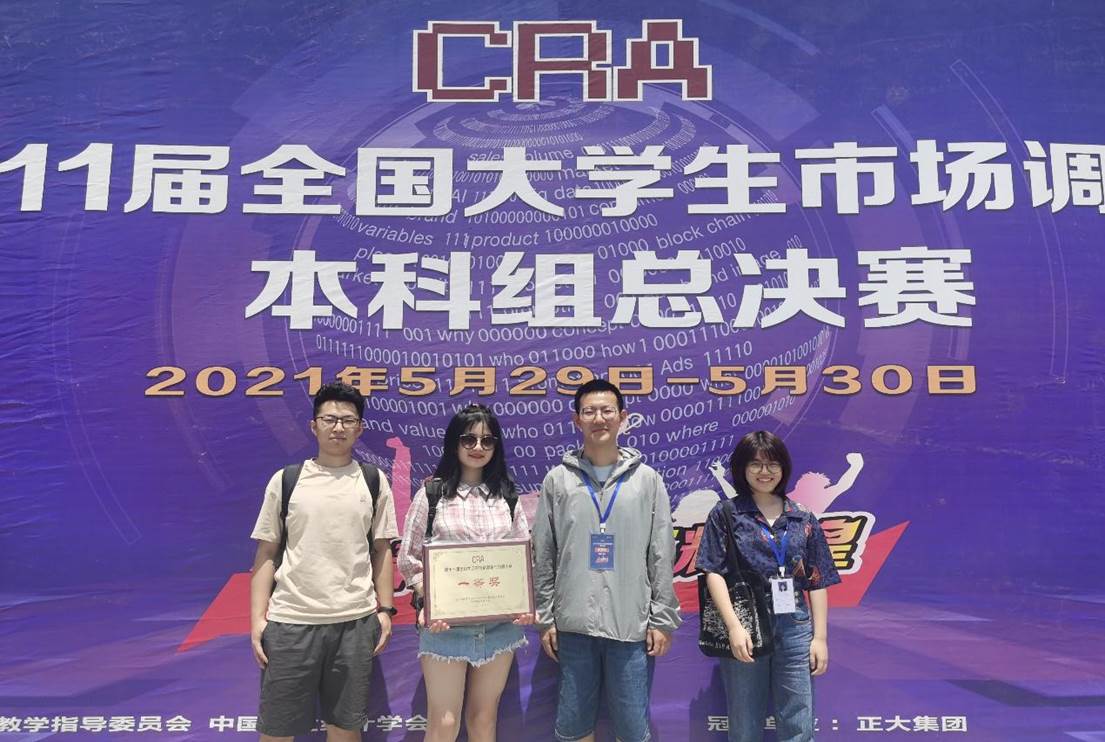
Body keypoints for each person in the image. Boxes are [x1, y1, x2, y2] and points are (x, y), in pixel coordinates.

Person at [248, 381, 399, 742]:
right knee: (276, 733)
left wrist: (385, 611)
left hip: (354, 623)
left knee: (345, 732)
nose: (338, 427)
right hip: (291, 622)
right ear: (314, 426)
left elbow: (382, 550)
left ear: (360, 428)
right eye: (329, 419)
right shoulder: (287, 480)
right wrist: (257, 621)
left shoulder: (373, 480)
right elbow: (266, 554)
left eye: (348, 420)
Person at [532, 378, 682, 742]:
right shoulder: (558, 480)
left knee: (631, 729)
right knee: (573, 728)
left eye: (607, 411)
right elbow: (544, 553)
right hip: (573, 625)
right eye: (589, 412)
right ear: (576, 420)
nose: (599, 418)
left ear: (622, 417)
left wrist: (662, 618)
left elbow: (661, 552)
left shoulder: (647, 480)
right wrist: (546, 617)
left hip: (631, 624)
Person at [397, 404, 533, 742]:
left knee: (484, 719)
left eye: (487, 440)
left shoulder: (508, 497)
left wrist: (522, 601)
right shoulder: (431, 495)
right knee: (444, 723)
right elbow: (409, 559)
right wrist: (430, 600)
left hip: (499, 626)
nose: (478, 447)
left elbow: (522, 558)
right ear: (453, 443)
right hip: (445, 627)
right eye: (468, 439)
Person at [697, 431, 841, 742]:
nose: (765, 472)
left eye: (773, 464)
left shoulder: (802, 516)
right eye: (756, 464)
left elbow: (817, 579)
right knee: (744, 721)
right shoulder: (726, 514)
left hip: (795, 627)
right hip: (746, 624)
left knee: (799, 720)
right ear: (742, 468)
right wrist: (733, 627)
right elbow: (713, 572)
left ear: (784, 468)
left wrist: (820, 638)